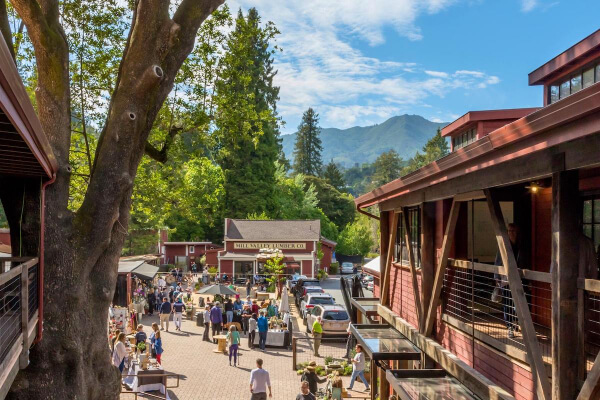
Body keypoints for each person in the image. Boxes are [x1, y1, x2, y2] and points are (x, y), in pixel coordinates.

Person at [494, 223, 527, 338]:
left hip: (519, 280)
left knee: (518, 305)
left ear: (518, 233)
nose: (511, 233)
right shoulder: (503, 246)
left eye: (513, 231)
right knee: (507, 304)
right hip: (506, 280)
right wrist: (497, 278)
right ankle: (510, 327)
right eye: (509, 231)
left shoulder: (521, 246)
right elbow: (498, 262)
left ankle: (518, 323)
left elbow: (524, 263)